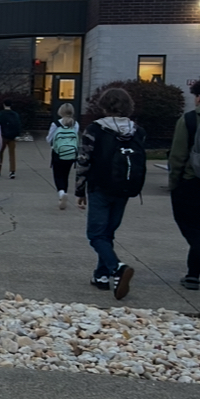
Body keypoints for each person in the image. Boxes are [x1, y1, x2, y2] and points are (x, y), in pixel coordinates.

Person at [75, 87, 144, 299]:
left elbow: (84, 160)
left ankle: (117, 268)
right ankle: (101, 274)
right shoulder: (137, 131)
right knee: (108, 233)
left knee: (95, 234)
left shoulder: (95, 130)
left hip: (100, 186)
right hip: (124, 188)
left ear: (105, 105)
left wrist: (80, 189)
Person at [168, 77, 200, 290]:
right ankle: (193, 275)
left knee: (191, 228)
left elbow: (178, 155)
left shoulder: (189, 120)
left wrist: (174, 182)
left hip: (192, 182)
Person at [46, 103, 79, 210]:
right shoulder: (75, 124)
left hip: (58, 152)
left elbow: (49, 139)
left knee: (57, 174)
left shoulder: (56, 124)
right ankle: (64, 191)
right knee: (65, 174)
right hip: (71, 153)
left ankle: (61, 193)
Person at [0, 99, 23, 179]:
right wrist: (17, 134)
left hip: (2, 136)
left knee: (0, 153)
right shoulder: (15, 114)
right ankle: (12, 171)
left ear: (4, 105)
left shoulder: (0, 114)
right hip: (12, 137)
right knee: (12, 154)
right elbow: (18, 125)